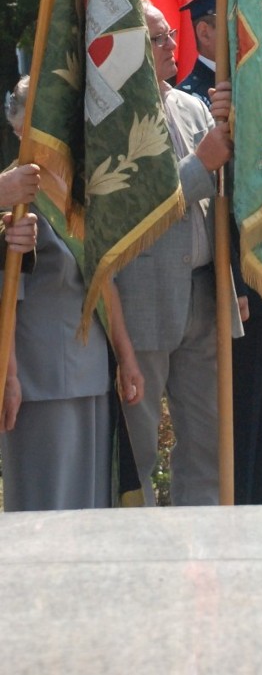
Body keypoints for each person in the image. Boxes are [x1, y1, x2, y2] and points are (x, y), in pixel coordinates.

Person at [177, 0, 262, 506]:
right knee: (238, 417)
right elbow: (210, 206)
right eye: (230, 25)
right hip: (231, 283)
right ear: (204, 32)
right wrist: (229, 278)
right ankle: (244, 515)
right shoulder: (191, 97)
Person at [115, 1, 239, 506]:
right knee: (139, 445)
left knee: (209, 442)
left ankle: (203, 558)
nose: (173, 46)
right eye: (159, 39)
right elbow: (126, 210)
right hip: (143, 296)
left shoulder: (191, 106)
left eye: (170, 35)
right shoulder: (112, 117)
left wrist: (235, 123)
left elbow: (223, 193)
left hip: (204, 292)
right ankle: (142, 559)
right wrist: (199, 165)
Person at [1, 81, 143, 512]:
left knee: (90, 505)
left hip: (90, 371)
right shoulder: (16, 203)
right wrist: (8, 376)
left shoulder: (76, 193)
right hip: (40, 379)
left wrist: (126, 356)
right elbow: (5, 300)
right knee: (49, 505)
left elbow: (104, 280)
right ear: (22, 125)